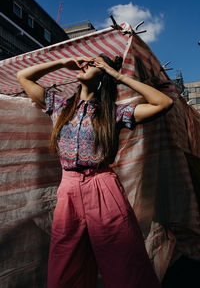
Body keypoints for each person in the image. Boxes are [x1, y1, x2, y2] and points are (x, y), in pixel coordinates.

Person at [17, 54, 173, 288]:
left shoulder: (114, 113)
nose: (85, 64)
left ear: (103, 75)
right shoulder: (60, 107)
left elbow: (163, 103)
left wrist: (118, 76)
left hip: (103, 187)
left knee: (124, 261)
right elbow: (23, 77)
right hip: (68, 189)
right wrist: (61, 63)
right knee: (64, 263)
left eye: (93, 64)